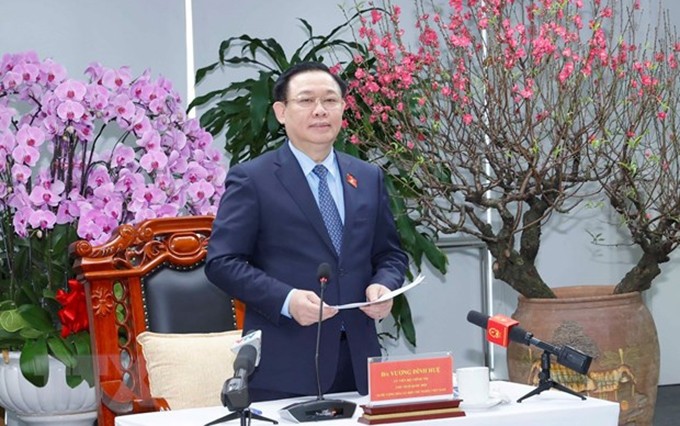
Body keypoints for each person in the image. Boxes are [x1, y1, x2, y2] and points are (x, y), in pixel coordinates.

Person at [205, 62, 407, 402]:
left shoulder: (367, 176)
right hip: (285, 363)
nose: (320, 111)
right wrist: (286, 300)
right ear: (281, 112)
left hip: (358, 363)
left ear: (344, 108)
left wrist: (384, 285)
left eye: (330, 100)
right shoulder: (253, 179)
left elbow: (390, 253)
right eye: (306, 100)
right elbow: (222, 262)